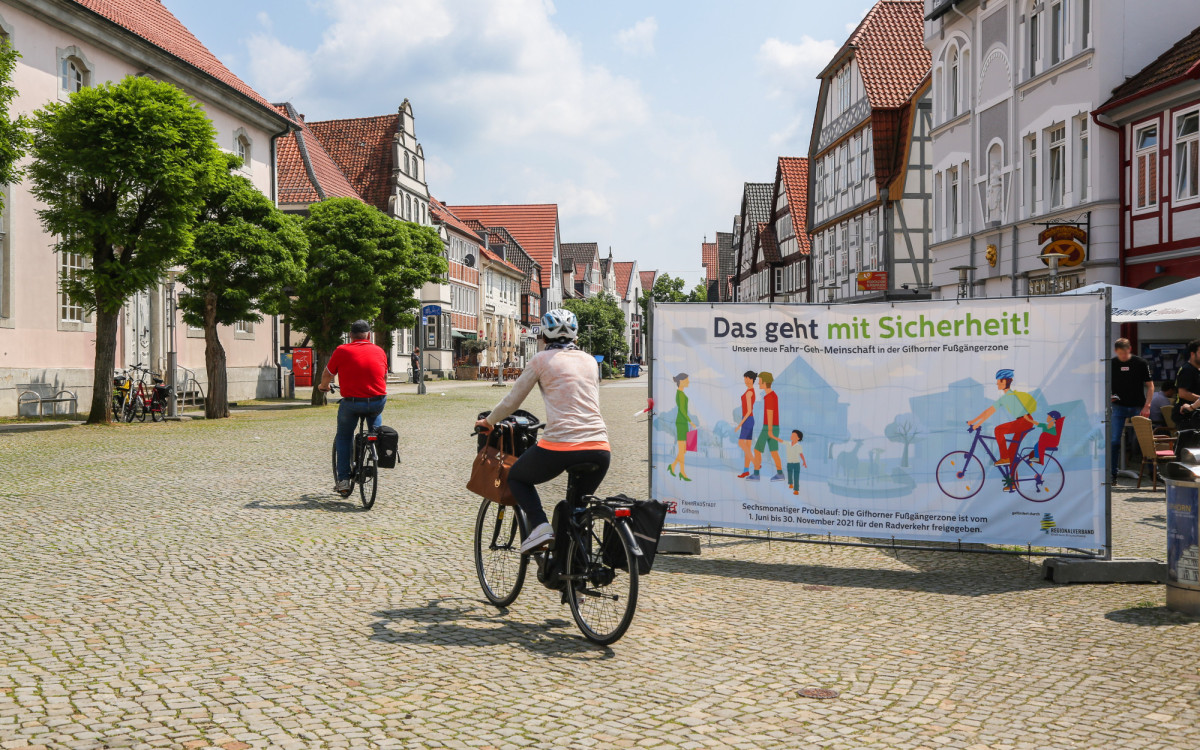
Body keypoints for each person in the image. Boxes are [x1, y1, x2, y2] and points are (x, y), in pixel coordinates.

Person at [474, 308, 610, 555]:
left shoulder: (540, 361)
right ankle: (575, 584)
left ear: (544, 337)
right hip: (599, 447)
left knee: (516, 477)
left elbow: (512, 401)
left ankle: (539, 526)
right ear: (575, 336)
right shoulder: (590, 361)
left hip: (561, 444)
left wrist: (490, 421)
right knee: (578, 512)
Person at [319, 320, 388, 495]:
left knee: (344, 437)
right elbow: (384, 376)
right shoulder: (379, 351)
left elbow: (328, 373)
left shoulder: (342, 350)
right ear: (369, 335)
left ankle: (343, 481)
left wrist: (323, 386)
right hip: (377, 401)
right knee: (375, 432)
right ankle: (374, 441)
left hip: (352, 402)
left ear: (350, 335)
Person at [967, 368, 1037, 468]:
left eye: (998, 381)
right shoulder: (1007, 396)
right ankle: (1012, 483)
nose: (996, 384)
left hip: (1024, 421)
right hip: (1023, 422)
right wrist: (973, 422)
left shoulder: (1008, 396)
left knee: (998, 430)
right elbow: (988, 411)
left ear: (1004, 381)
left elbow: (989, 412)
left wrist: (975, 425)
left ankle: (1004, 458)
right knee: (1012, 455)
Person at [1111, 339, 1154, 481]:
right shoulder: (1111, 363)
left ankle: (1153, 472)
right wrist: (1110, 396)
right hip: (1118, 406)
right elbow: (1104, 384)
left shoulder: (1140, 363)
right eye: (1119, 354)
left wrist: (1147, 406)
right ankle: (1112, 473)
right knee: (1114, 440)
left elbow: (1150, 386)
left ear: (1129, 349)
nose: (1122, 356)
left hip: (1138, 406)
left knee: (1145, 440)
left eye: (1124, 353)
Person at [751, 372, 785, 482]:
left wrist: (769, 430)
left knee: (757, 450)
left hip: (769, 427)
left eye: (760, 381)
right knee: (774, 451)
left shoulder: (770, 397)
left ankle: (756, 474)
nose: (759, 383)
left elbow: (770, 413)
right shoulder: (772, 395)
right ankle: (780, 474)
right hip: (773, 427)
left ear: (765, 382)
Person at [668, 374, 697, 481]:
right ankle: (682, 473)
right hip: (681, 422)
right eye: (687, 380)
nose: (688, 382)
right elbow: (682, 410)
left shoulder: (681, 393)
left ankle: (673, 466)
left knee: (683, 450)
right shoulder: (680, 394)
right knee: (682, 449)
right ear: (682, 381)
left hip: (683, 422)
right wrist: (691, 421)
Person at [735, 371, 757, 479]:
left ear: (751, 379)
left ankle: (755, 463)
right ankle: (746, 470)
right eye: (744, 378)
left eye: (746, 378)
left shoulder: (749, 393)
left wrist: (740, 424)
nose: (744, 380)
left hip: (748, 420)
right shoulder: (749, 391)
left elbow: (749, 411)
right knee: (747, 447)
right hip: (749, 420)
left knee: (741, 443)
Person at [1174, 340, 1200, 428]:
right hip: (1187, 415)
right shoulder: (1187, 370)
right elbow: (1183, 393)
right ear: (1193, 354)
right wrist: (1198, 401)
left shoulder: (1197, 370)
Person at [786, 430, 807, 495]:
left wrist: (804, 461)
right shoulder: (788, 444)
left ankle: (796, 490)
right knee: (789, 474)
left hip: (796, 463)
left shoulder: (798, 446)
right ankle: (790, 483)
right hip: (789, 462)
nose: (792, 436)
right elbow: (781, 441)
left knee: (796, 476)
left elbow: (801, 454)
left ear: (798, 438)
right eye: (791, 435)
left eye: (794, 436)